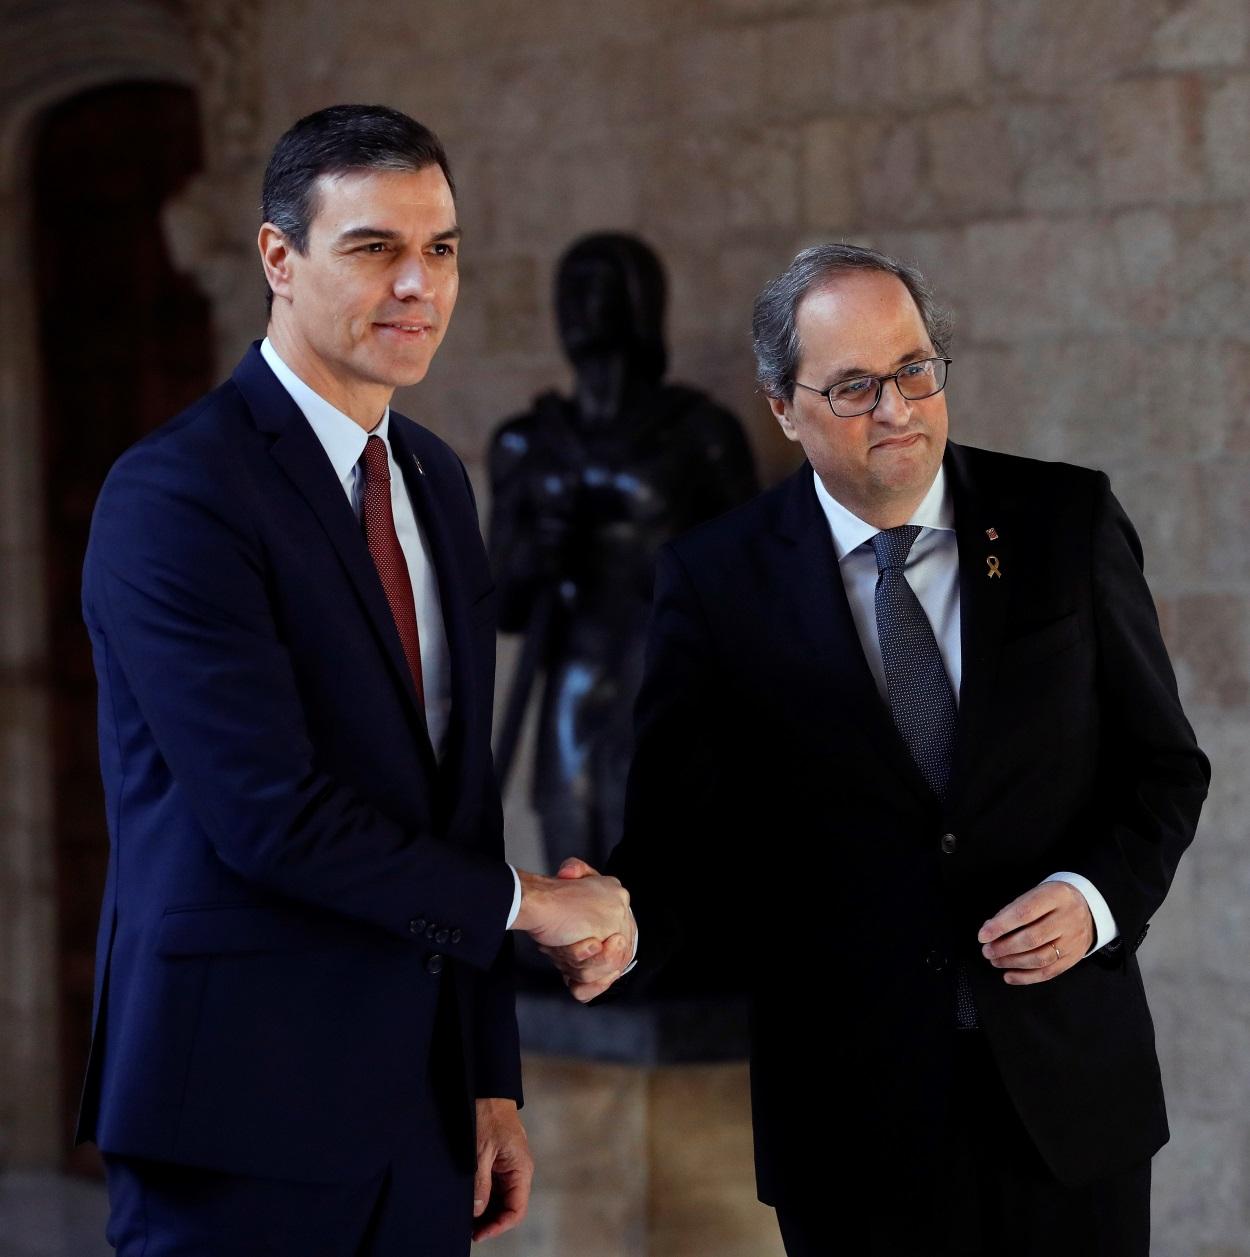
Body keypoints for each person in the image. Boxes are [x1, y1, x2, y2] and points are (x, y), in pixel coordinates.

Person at [548, 244, 1210, 1255]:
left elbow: (1160, 771)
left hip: (1068, 1100)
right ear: (781, 406)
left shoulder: (1061, 523)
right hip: (847, 1122)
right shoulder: (714, 581)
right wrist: (623, 925)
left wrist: (1093, 899)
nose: (896, 408)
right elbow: (680, 841)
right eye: (853, 387)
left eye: (912, 370)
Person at [77, 104, 632, 1257]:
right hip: (236, 1109)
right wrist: (537, 907)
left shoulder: (433, 477)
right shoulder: (175, 495)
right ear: (279, 257)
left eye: (440, 250)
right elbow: (269, 816)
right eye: (372, 247)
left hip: (420, 1110)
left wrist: (487, 1078)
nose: (415, 285)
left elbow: (456, 798)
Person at [488, 232, 757, 877]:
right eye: (568, 289)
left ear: (637, 300)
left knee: (654, 827)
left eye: (596, 285)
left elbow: (755, 579)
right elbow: (502, 603)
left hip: (665, 658)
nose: (577, 305)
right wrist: (538, 554)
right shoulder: (529, 445)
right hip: (574, 661)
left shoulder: (698, 434)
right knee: (573, 824)